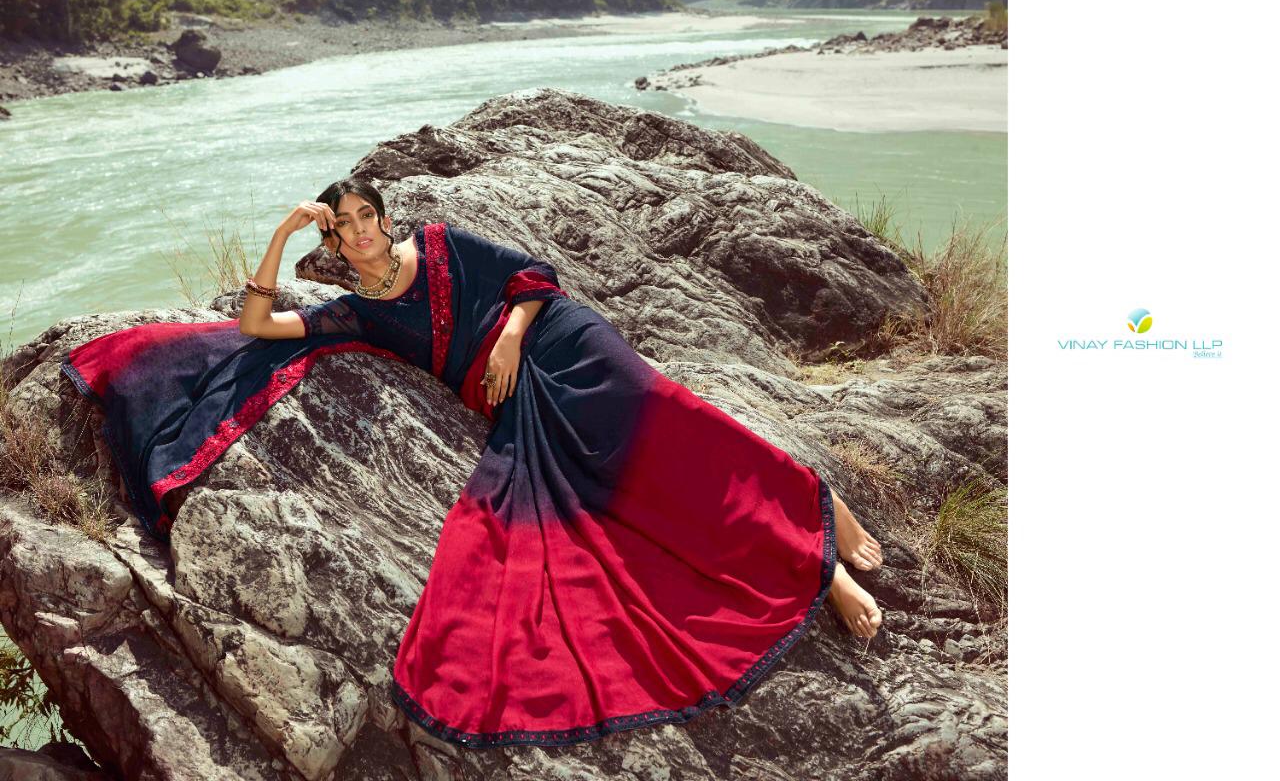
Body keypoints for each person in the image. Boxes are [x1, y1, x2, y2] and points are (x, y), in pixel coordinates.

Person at [61, 179, 885, 749]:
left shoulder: (441, 246)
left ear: (386, 219)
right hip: (515, 407)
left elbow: (532, 277)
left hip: (556, 339)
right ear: (332, 242)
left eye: (367, 216)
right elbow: (255, 327)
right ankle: (811, 565)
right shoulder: (354, 313)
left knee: (670, 415)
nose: (360, 231)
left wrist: (513, 339)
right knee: (621, 507)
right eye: (342, 225)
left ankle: (815, 515)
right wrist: (280, 234)